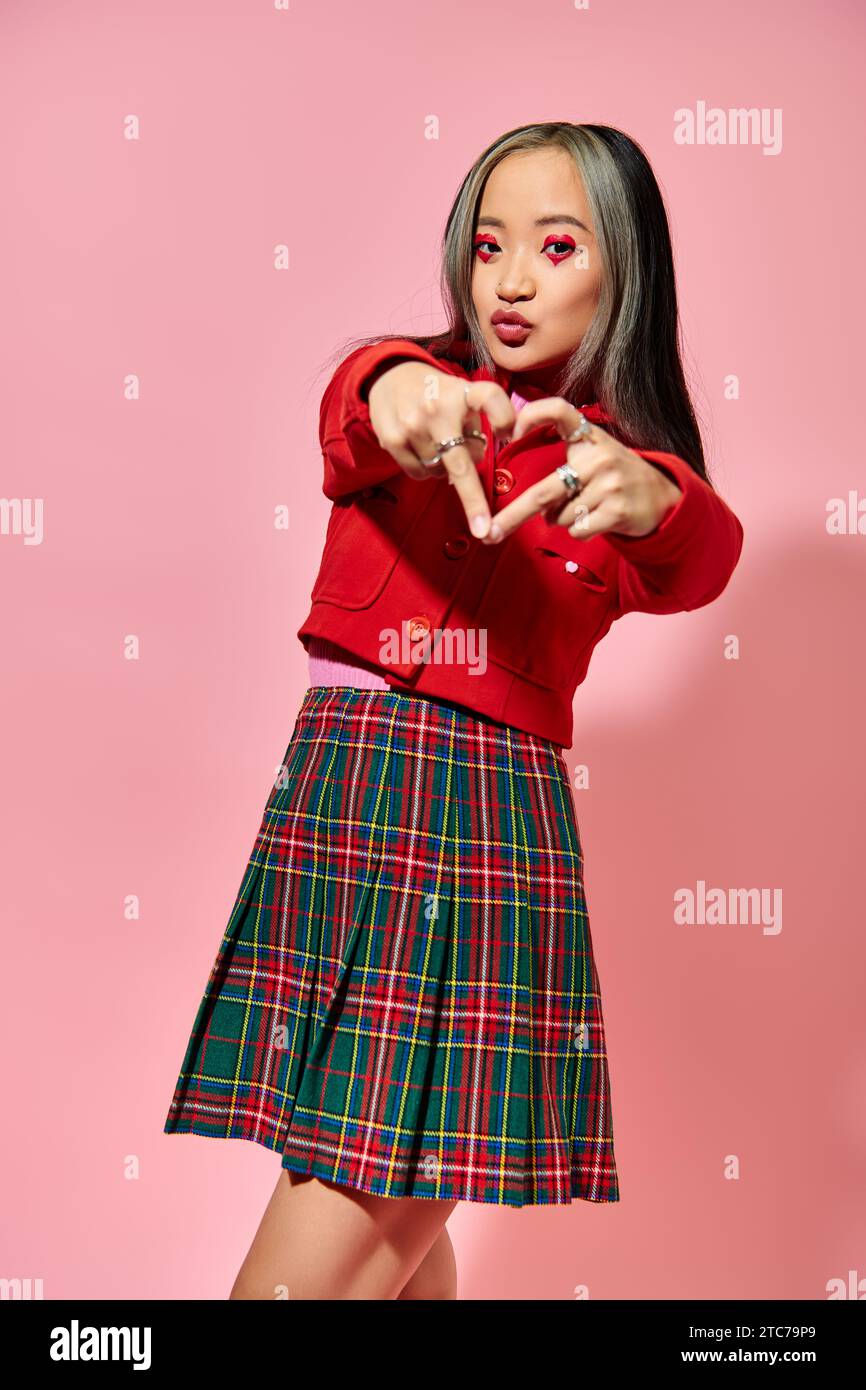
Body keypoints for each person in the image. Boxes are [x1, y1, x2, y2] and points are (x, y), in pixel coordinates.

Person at [163, 121, 744, 1300]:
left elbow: (700, 552)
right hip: (336, 809)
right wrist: (410, 402)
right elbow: (362, 401)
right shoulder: (407, 381)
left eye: (557, 245)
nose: (511, 279)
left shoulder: (613, 472)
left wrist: (646, 488)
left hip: (476, 842)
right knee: (396, 1244)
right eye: (487, 246)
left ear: (626, 271)